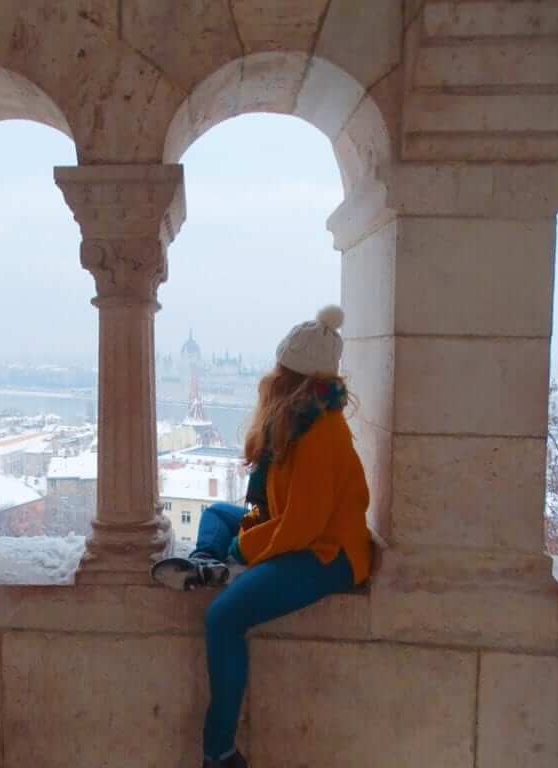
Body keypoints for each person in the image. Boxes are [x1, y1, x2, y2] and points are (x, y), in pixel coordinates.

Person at [151, 305, 373, 768]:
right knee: (217, 513)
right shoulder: (295, 423)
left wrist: (244, 545)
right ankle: (206, 564)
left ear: (293, 379)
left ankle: (220, 751)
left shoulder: (321, 435)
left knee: (224, 618)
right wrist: (244, 530)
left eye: (280, 369)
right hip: (292, 531)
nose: (270, 376)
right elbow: (266, 507)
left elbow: (303, 525)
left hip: (328, 553)